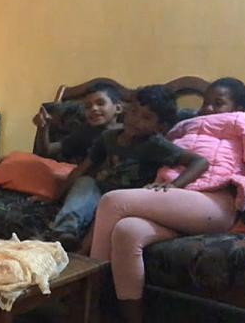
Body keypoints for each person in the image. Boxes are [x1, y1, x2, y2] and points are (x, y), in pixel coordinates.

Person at [88, 77, 245, 323]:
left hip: (214, 201)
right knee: (127, 231)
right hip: (175, 202)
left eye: (218, 103)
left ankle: (86, 314)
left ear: (238, 107)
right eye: (205, 102)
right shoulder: (184, 126)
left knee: (112, 201)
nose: (208, 108)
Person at [47, 85, 208, 251]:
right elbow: (83, 168)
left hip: (123, 201)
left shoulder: (156, 145)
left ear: (160, 127)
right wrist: (55, 196)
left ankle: (84, 254)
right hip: (99, 192)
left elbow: (200, 162)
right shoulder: (108, 137)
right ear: (126, 110)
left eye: (146, 117)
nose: (135, 120)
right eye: (133, 112)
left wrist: (174, 185)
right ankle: (64, 233)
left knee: (109, 207)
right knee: (85, 181)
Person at [32, 82, 124, 164]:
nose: (93, 109)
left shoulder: (127, 132)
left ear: (118, 108)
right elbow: (47, 151)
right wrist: (43, 127)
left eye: (100, 103)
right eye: (88, 106)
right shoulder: (85, 132)